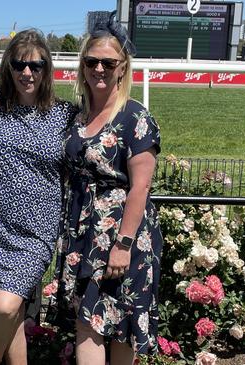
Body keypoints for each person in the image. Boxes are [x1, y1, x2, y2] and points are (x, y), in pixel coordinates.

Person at [53, 11, 163, 364]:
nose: (99, 69)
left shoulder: (135, 118)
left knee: (121, 328)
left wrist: (123, 245)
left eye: (108, 62)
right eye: (91, 61)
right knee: (87, 321)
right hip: (82, 236)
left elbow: (141, 187)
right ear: (82, 66)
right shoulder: (78, 117)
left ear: (122, 67)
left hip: (122, 236)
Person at [0, 29, 78, 365]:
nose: (27, 73)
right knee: (11, 311)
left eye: (36, 66)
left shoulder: (65, 115)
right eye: (18, 65)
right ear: (8, 69)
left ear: (47, 69)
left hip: (38, 229)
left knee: (4, 304)